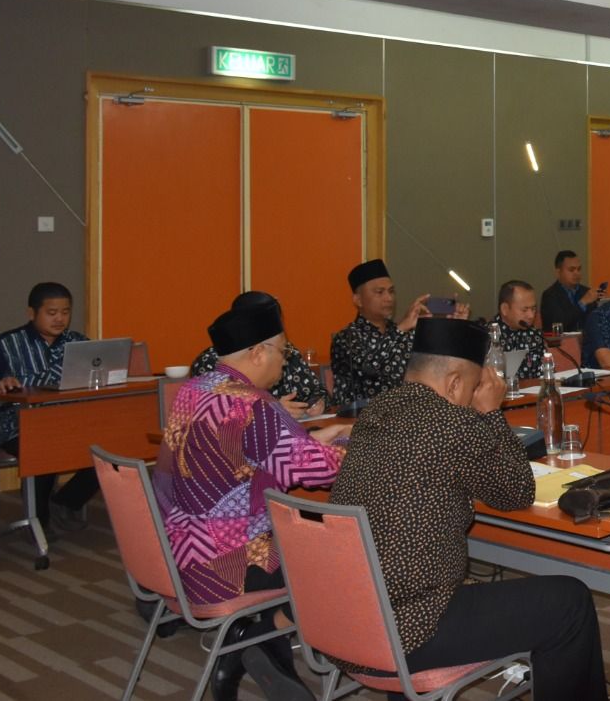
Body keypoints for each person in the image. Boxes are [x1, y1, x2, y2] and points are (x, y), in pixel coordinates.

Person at [329, 318, 607, 698]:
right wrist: (491, 411)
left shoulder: (374, 411)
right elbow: (516, 492)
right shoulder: (451, 421)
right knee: (569, 602)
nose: (475, 395)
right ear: (455, 383)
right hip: (406, 631)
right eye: (476, 386)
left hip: (345, 623)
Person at [156, 299, 349, 701]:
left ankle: (253, 650)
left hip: (175, 552)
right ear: (258, 352)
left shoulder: (194, 389)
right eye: (283, 350)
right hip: (231, 562)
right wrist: (356, 449)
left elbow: (244, 455)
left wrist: (313, 439)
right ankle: (254, 639)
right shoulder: (252, 404)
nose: (285, 359)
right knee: (347, 566)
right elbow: (315, 472)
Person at [0, 282, 95, 531]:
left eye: (65, 312)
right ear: (31, 313)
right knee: (43, 446)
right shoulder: (4, 345)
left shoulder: (78, 343)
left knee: (111, 445)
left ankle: (66, 501)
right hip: (16, 424)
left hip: (67, 420)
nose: (59, 319)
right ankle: (38, 522)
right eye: (52, 313)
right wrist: (2, 383)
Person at [331, 258, 467, 408]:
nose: (389, 298)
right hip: (361, 417)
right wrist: (401, 329)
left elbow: (438, 365)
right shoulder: (347, 337)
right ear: (358, 300)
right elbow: (370, 367)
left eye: (391, 291)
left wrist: (456, 327)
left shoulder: (403, 333)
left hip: (406, 414)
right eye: (379, 292)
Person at [189, 290, 327, 417]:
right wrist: (274, 410)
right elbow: (217, 413)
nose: (284, 361)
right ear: (258, 354)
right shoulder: (211, 362)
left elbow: (318, 392)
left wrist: (317, 403)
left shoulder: (286, 351)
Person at [490, 279, 548, 379]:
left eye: (533, 309)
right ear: (505, 309)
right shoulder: (487, 337)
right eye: (524, 310)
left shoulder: (535, 335)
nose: (531, 315)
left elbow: (545, 373)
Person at [540, 250, 601, 333]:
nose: (576, 273)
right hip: (562, 340)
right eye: (571, 270)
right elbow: (558, 324)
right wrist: (582, 303)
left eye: (579, 269)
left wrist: (602, 304)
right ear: (558, 272)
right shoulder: (549, 295)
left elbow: (596, 322)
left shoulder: (587, 292)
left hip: (587, 339)